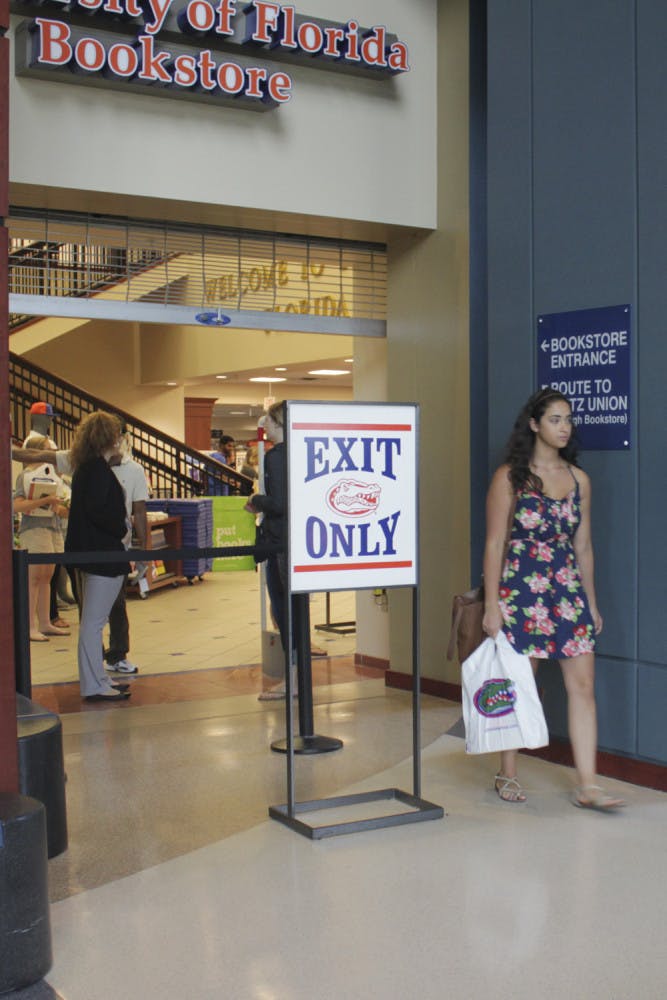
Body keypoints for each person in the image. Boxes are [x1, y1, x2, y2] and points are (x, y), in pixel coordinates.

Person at [481, 388, 624, 810]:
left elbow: (584, 547)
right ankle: (506, 772)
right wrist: (492, 604)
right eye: (556, 419)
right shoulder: (510, 477)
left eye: (568, 419)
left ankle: (588, 784)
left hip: (567, 594)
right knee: (519, 686)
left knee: (583, 685)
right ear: (534, 424)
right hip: (521, 592)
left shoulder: (580, 480)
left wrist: (591, 603)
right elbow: (494, 543)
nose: (565, 427)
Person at [65, 412, 131, 702]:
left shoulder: (88, 467)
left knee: (94, 621)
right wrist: (120, 526)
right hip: (101, 554)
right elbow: (100, 512)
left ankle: (98, 678)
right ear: (110, 437)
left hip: (95, 553)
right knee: (93, 623)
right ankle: (93, 683)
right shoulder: (96, 470)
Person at [13, 435, 70, 642]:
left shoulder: (55, 477)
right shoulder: (25, 476)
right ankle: (30, 626)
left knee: (47, 577)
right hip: (34, 530)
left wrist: (59, 507)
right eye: (46, 450)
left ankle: (45, 622)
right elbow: (17, 505)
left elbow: (63, 509)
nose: (51, 455)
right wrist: (44, 500)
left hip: (53, 529)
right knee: (33, 579)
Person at [104, 419, 150, 675]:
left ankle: (117, 654)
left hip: (118, 544)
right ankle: (91, 655)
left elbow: (139, 510)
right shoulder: (86, 465)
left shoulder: (134, 470)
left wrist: (145, 548)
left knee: (117, 603)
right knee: (89, 606)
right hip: (87, 546)